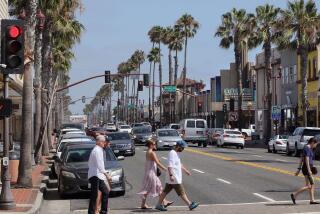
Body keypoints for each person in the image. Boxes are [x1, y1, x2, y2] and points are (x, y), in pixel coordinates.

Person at [155, 140, 199, 211]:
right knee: (181, 191)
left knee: (165, 191)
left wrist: (186, 171)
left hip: (173, 177)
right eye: (182, 148)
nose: (183, 149)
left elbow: (179, 164)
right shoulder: (172, 153)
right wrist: (171, 175)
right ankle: (189, 204)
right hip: (174, 177)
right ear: (178, 146)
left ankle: (158, 205)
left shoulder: (176, 153)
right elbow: (170, 166)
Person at [137, 140, 173, 209]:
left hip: (148, 172)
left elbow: (154, 161)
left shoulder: (148, 152)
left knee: (153, 187)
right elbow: (158, 163)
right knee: (156, 187)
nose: (155, 145)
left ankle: (163, 201)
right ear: (150, 145)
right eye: (154, 144)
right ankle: (163, 201)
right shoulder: (152, 153)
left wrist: (157, 160)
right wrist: (166, 169)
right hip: (151, 173)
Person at [88, 135, 112, 214]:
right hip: (95, 175)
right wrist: (107, 175)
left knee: (105, 192)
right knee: (94, 195)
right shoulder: (97, 150)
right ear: (98, 142)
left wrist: (104, 175)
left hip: (98, 175)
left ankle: (103, 211)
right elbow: (100, 165)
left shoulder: (99, 150)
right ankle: (91, 212)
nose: (104, 143)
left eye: (104, 142)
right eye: (103, 142)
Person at [291, 137, 319, 205]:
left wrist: (299, 169)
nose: (316, 146)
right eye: (315, 144)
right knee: (310, 185)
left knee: (310, 185)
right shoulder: (307, 148)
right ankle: (294, 195)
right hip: (307, 168)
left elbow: (301, 159)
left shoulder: (308, 148)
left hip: (307, 168)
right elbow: (306, 159)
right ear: (312, 142)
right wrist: (309, 170)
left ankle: (312, 200)